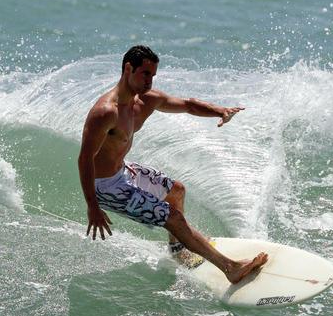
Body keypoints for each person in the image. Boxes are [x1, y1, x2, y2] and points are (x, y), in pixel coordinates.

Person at [77, 45, 268, 284]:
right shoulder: (105, 112)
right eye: (145, 74)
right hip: (104, 187)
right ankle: (230, 268)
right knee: (174, 217)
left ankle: (178, 251)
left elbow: (187, 104)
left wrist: (220, 111)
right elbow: (84, 159)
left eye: (153, 75)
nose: (150, 81)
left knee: (177, 190)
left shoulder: (145, 101)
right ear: (128, 68)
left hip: (123, 171)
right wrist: (92, 206)